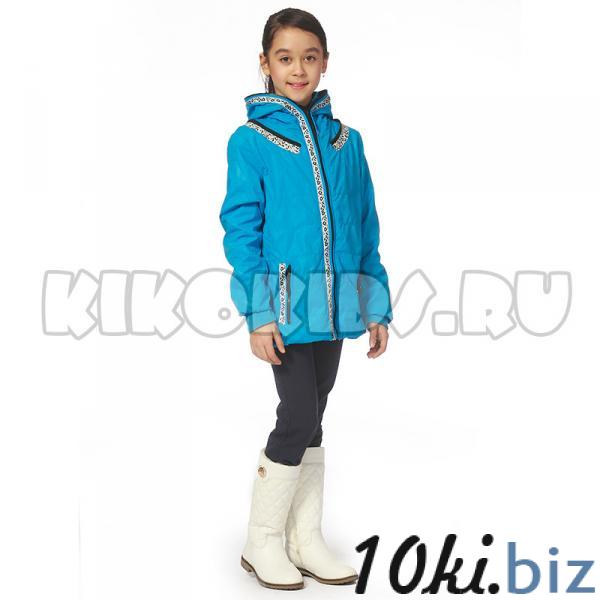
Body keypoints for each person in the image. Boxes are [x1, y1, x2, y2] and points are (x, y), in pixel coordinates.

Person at [219, 8, 394, 591]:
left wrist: (374, 303)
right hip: (285, 309)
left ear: (325, 62)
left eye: (309, 57)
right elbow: (242, 231)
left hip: (337, 307)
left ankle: (304, 539)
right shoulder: (251, 142)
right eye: (285, 58)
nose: (298, 69)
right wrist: (258, 312)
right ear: (265, 64)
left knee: (314, 416)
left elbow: (365, 227)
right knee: (296, 416)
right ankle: (262, 540)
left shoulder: (348, 142)